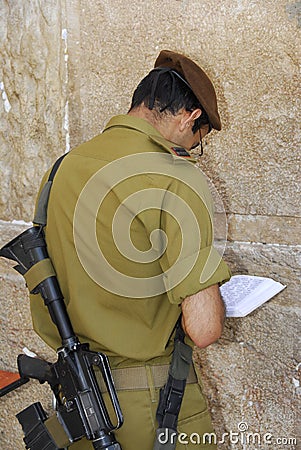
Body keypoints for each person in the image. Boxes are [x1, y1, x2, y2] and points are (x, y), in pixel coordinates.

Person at [30, 50, 231, 449]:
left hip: (80, 409)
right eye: (198, 140)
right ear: (188, 117)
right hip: (155, 410)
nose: (192, 150)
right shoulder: (175, 175)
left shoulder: (62, 168)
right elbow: (204, 329)